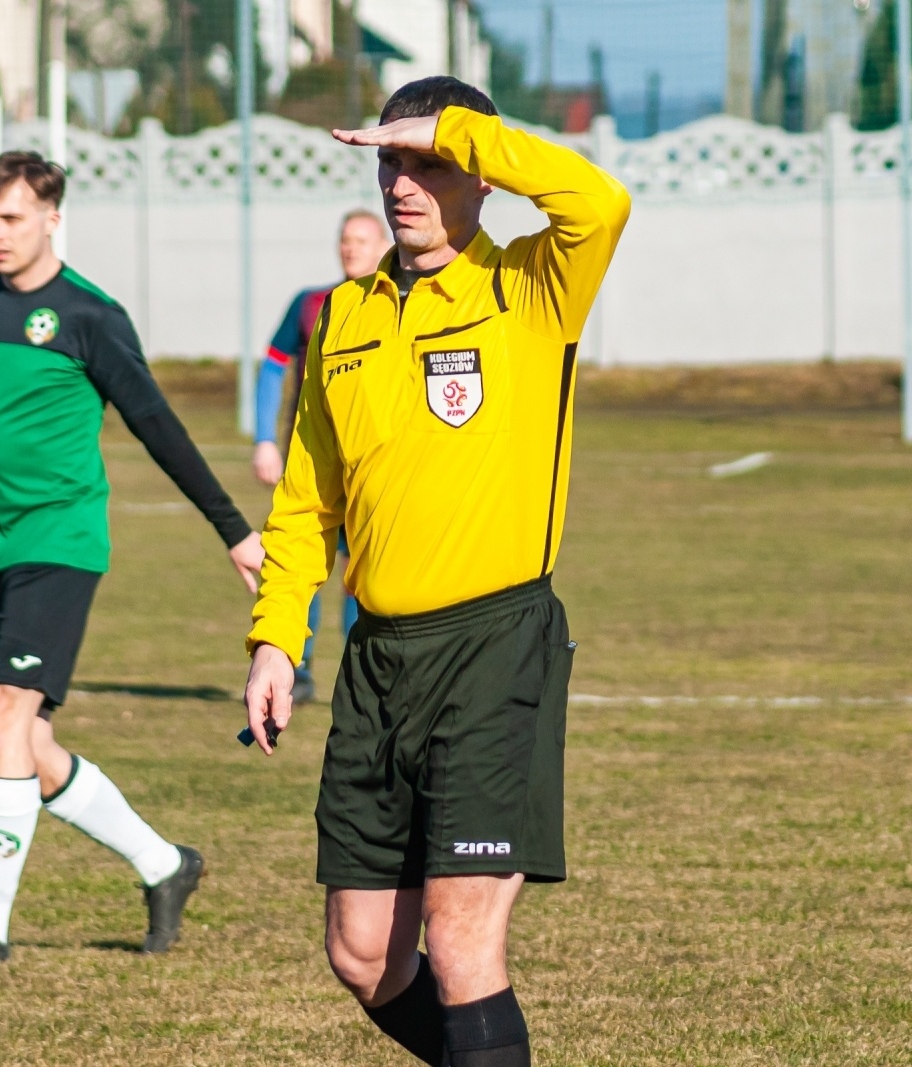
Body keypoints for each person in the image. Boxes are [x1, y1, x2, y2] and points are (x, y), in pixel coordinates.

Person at [242, 77, 630, 1066]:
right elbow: (305, 505)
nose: (403, 183)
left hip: (493, 647)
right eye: (390, 161)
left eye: (427, 163)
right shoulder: (345, 322)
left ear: (480, 173)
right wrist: (277, 638)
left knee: (460, 939)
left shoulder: (531, 288)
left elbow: (599, 201)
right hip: (378, 663)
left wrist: (458, 129)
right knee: (363, 952)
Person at [0, 150, 266, 965]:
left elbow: (157, 425)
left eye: (9, 218)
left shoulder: (89, 316)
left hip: (62, 542)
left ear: (51, 217)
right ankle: (164, 862)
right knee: (23, 745)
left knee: (1, 711)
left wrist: (232, 528)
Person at [251, 208, 388, 704]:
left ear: (381, 246)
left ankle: (360, 669)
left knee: (362, 572)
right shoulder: (312, 305)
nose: (351, 248)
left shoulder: (402, 304)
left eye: (361, 240)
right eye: (345, 239)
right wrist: (266, 439)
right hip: (310, 463)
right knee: (299, 561)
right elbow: (272, 367)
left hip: (370, 469)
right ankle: (296, 666)